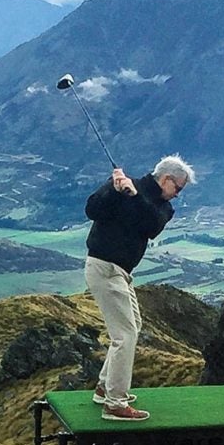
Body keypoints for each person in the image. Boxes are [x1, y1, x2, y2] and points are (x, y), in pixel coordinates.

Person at [84, 154, 196, 421]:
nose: (177, 195)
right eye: (177, 188)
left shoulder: (161, 207)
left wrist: (134, 197)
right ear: (166, 179)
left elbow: (151, 226)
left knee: (133, 326)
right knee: (125, 335)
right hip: (104, 267)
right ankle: (115, 402)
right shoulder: (122, 185)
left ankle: (104, 387)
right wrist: (114, 191)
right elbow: (92, 210)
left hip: (120, 273)